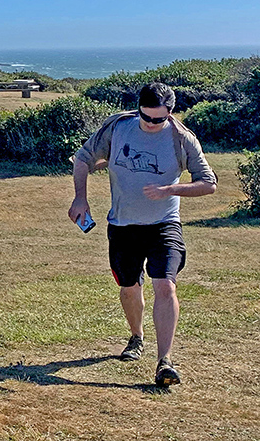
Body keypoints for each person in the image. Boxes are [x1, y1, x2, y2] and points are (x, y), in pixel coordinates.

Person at [68, 82, 217, 387]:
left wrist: (170, 189)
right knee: (129, 289)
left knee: (165, 286)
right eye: (145, 117)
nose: (150, 124)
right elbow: (82, 159)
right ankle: (136, 337)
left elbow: (209, 183)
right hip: (123, 226)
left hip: (164, 224)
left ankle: (165, 362)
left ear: (170, 113)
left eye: (157, 119)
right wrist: (80, 197)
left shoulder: (182, 139)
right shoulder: (118, 126)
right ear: (138, 109)